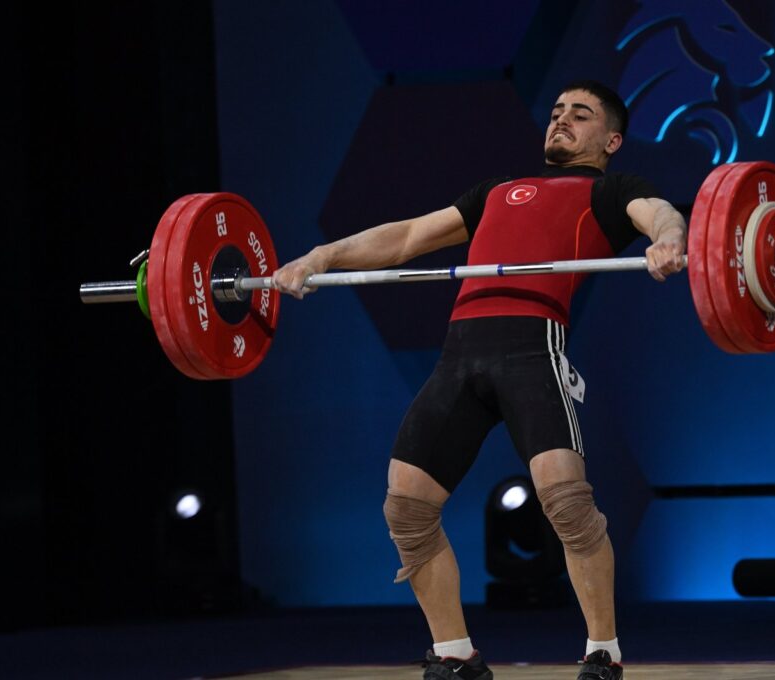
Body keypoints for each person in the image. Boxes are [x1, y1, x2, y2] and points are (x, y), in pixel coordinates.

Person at [272, 80, 686, 680]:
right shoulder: (497, 192)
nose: (561, 121)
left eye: (581, 114)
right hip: (460, 354)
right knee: (406, 509)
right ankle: (455, 655)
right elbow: (408, 236)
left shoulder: (611, 189)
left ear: (612, 139)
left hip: (532, 349)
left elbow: (660, 214)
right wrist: (320, 257)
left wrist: (668, 240)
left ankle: (603, 652)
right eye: (556, 111)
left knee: (567, 505)